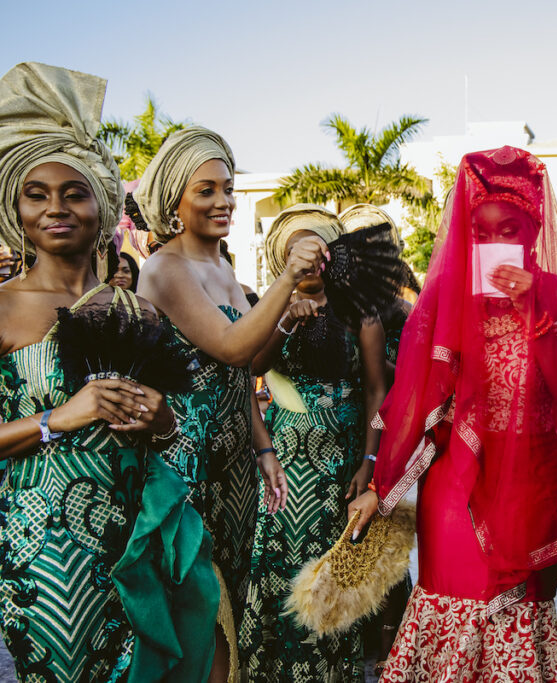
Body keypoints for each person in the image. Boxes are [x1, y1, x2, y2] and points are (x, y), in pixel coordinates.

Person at [348, 146, 557, 681]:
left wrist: (533, 310)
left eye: (509, 229)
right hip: (456, 490)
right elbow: (412, 402)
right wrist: (381, 485)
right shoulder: (445, 299)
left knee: (518, 619)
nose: (495, 243)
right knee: (457, 610)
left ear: (533, 229)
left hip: (530, 487)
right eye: (483, 230)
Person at [0, 62, 217, 681]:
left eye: (74, 193)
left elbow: (181, 429)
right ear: (16, 210)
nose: (56, 208)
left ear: (102, 204)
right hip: (46, 549)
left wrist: (163, 417)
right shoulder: (5, 308)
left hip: (142, 534)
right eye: (35, 194)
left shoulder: (137, 308)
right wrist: (58, 418)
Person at [134, 126, 326, 681]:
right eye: (206, 190)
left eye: (229, 188)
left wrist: (264, 447)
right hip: (183, 463)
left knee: (230, 604)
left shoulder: (223, 269)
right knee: (197, 605)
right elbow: (231, 344)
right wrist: (288, 277)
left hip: (235, 464)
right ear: (174, 202)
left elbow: (250, 366)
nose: (224, 202)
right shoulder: (164, 269)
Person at [239, 204, 386, 681]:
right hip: (284, 458)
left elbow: (375, 388)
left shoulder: (359, 310)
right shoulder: (271, 304)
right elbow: (254, 366)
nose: (307, 265)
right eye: (295, 254)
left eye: (316, 253)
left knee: (330, 568)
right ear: (285, 257)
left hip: (341, 458)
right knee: (280, 564)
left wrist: (369, 459)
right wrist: (284, 321)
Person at [337, 203, 414, 673]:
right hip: (348, 424)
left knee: (387, 541)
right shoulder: (335, 304)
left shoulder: (403, 309)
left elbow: (415, 382)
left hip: (393, 433)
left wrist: (376, 372)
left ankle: (388, 648)